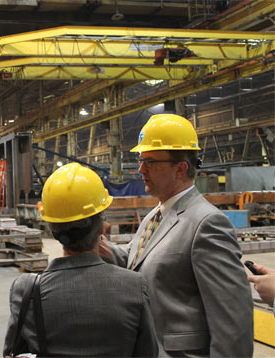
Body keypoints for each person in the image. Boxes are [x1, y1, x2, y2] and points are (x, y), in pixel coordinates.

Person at [100, 114, 253, 357]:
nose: (141, 169)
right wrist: (94, 242)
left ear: (180, 168)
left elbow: (233, 322)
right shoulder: (154, 216)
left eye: (149, 162)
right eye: (141, 161)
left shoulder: (207, 223)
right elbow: (134, 258)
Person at [4, 163, 158, 357]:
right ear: (102, 226)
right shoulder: (134, 286)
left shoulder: (27, 291)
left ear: (53, 229)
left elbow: (12, 351)